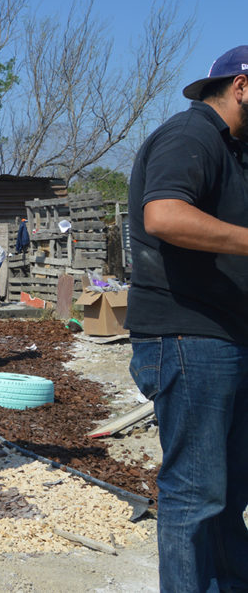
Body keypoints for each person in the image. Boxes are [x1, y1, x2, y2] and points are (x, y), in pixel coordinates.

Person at [125, 46, 248, 592]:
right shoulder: (190, 135)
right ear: (242, 86)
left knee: (230, 491)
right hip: (189, 335)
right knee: (195, 493)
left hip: (227, 336)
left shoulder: (235, 151)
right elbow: (164, 214)